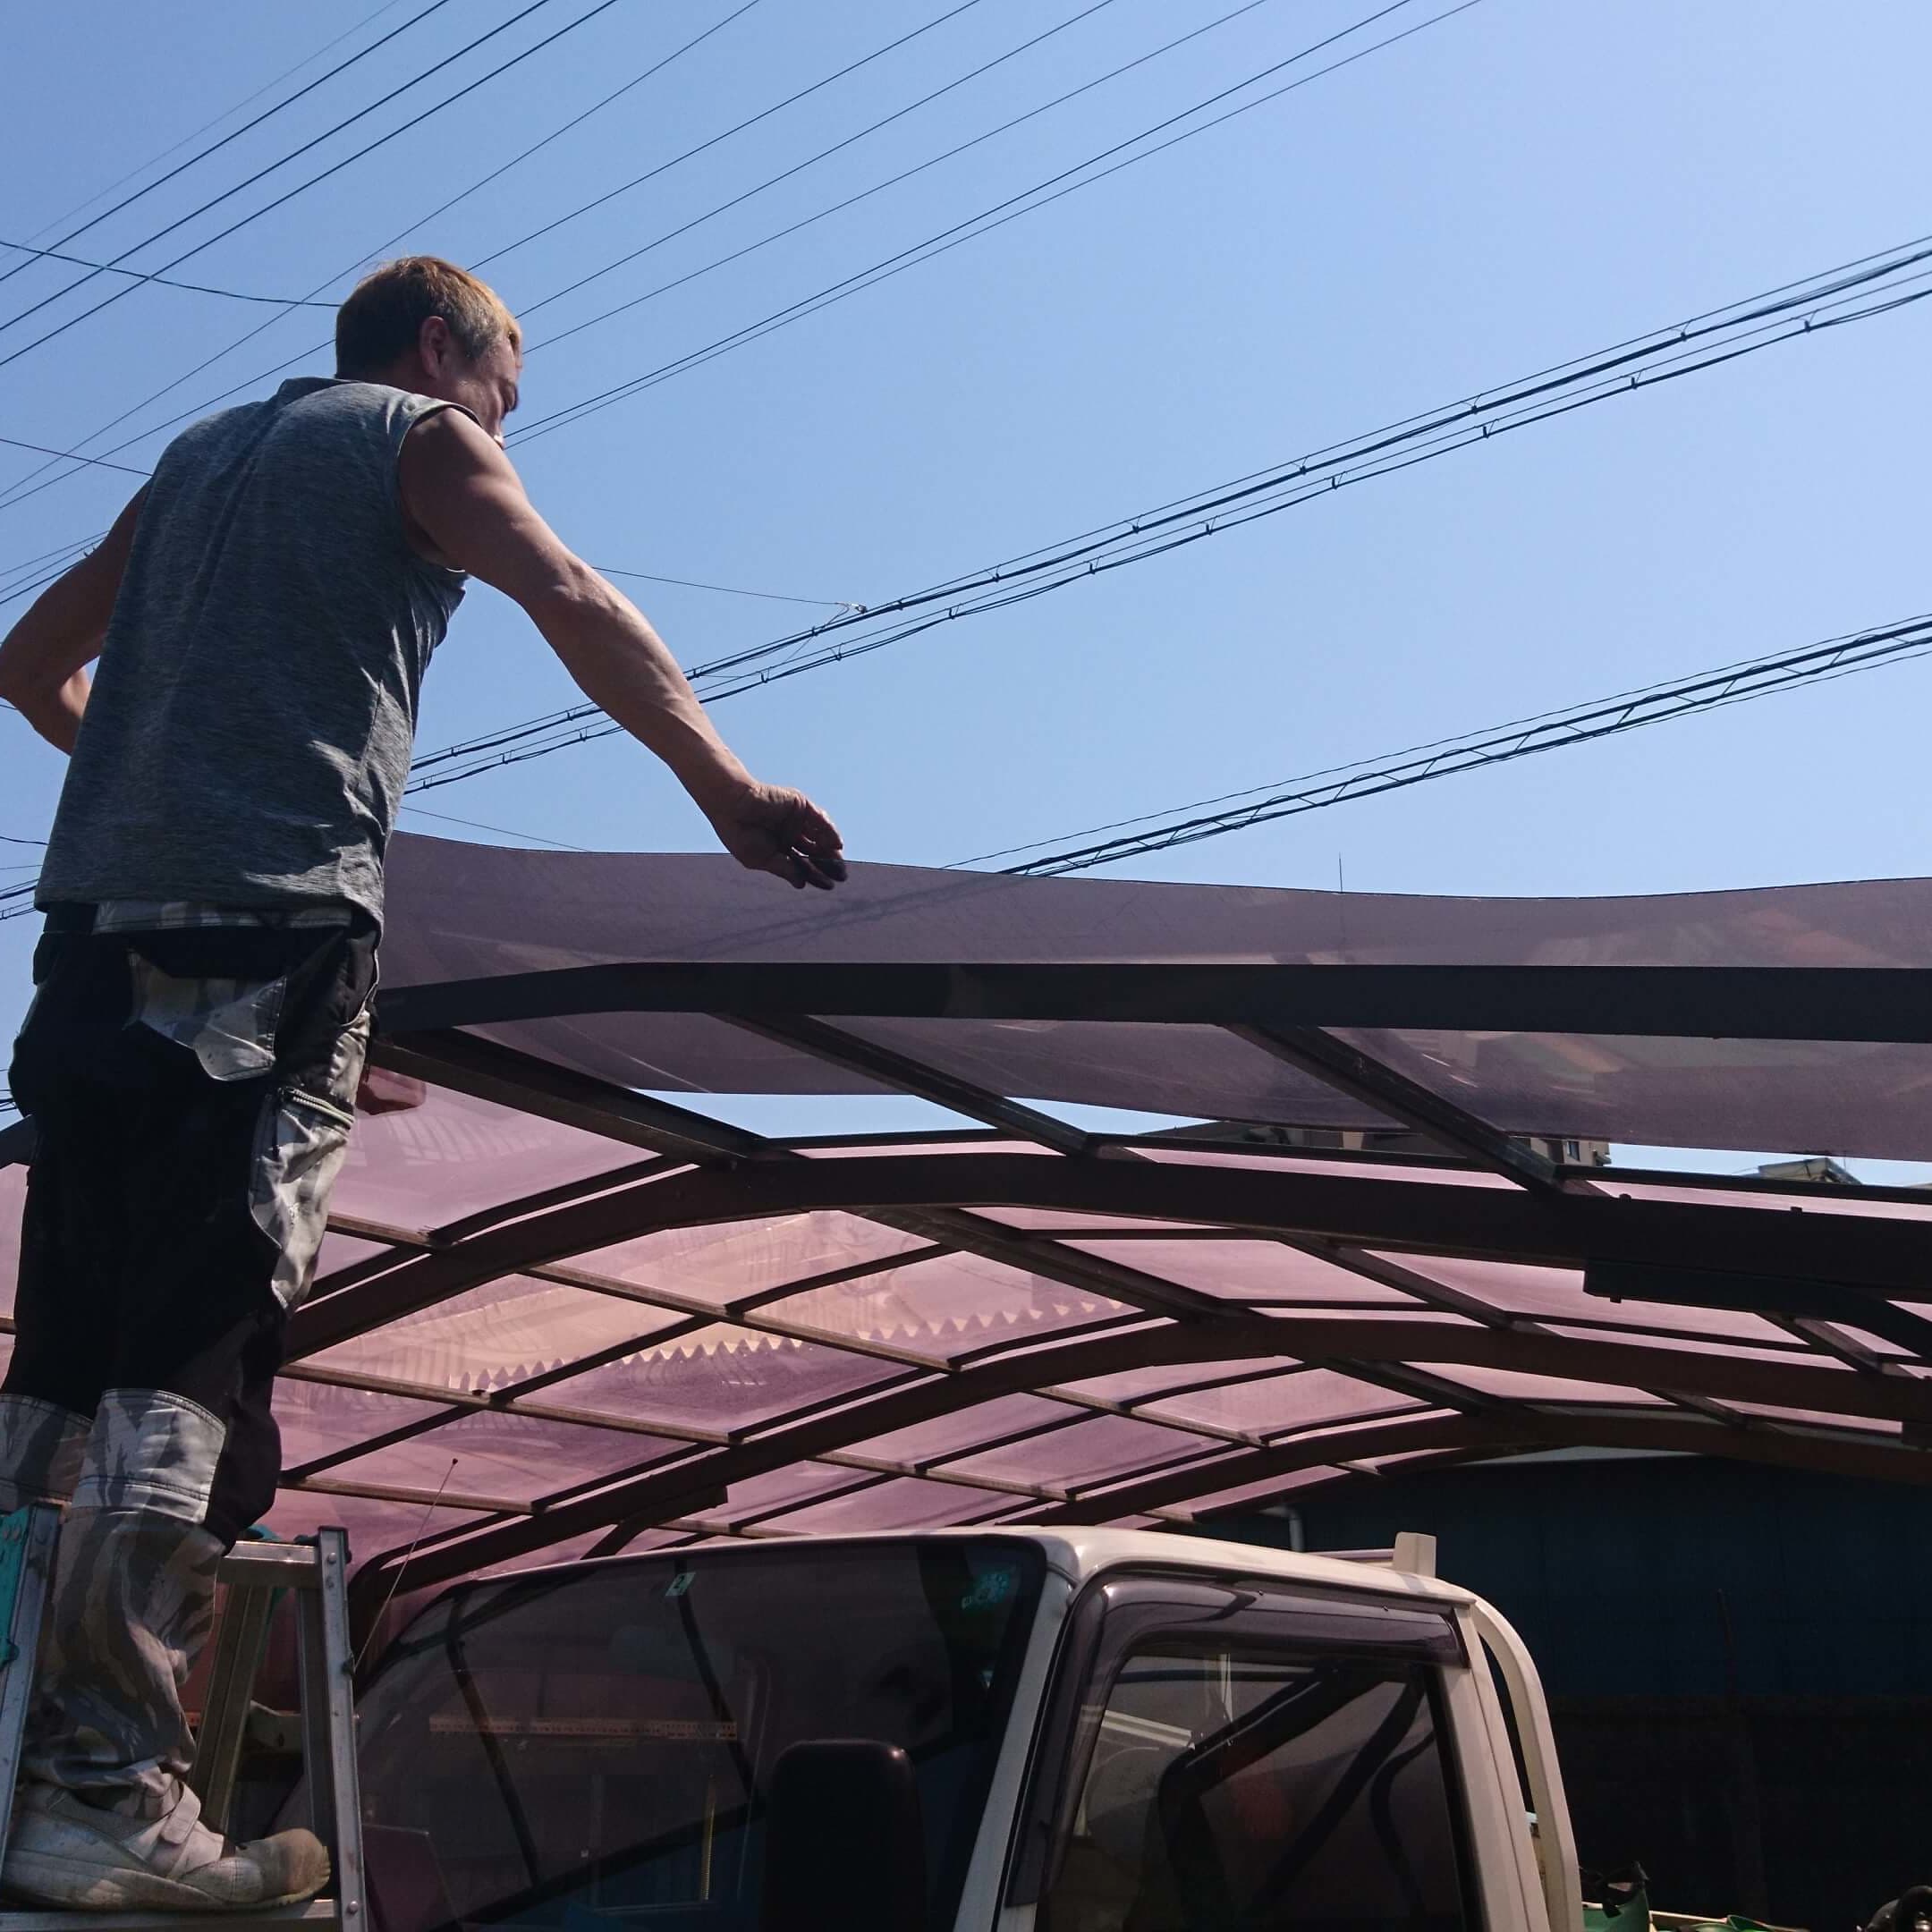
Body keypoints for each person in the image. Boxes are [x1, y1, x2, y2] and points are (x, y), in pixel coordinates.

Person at [0, 257, 844, 1911]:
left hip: (94, 950)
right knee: (194, 1351)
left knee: (63, 1368)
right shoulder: (416, 438)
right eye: (507, 397)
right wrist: (727, 791)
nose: (505, 432)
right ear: (442, 347)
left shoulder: (194, 461)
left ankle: (17, 1748)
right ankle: (105, 1788)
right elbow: (573, 595)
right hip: (273, 934)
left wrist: (157, 782)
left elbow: (29, 667)